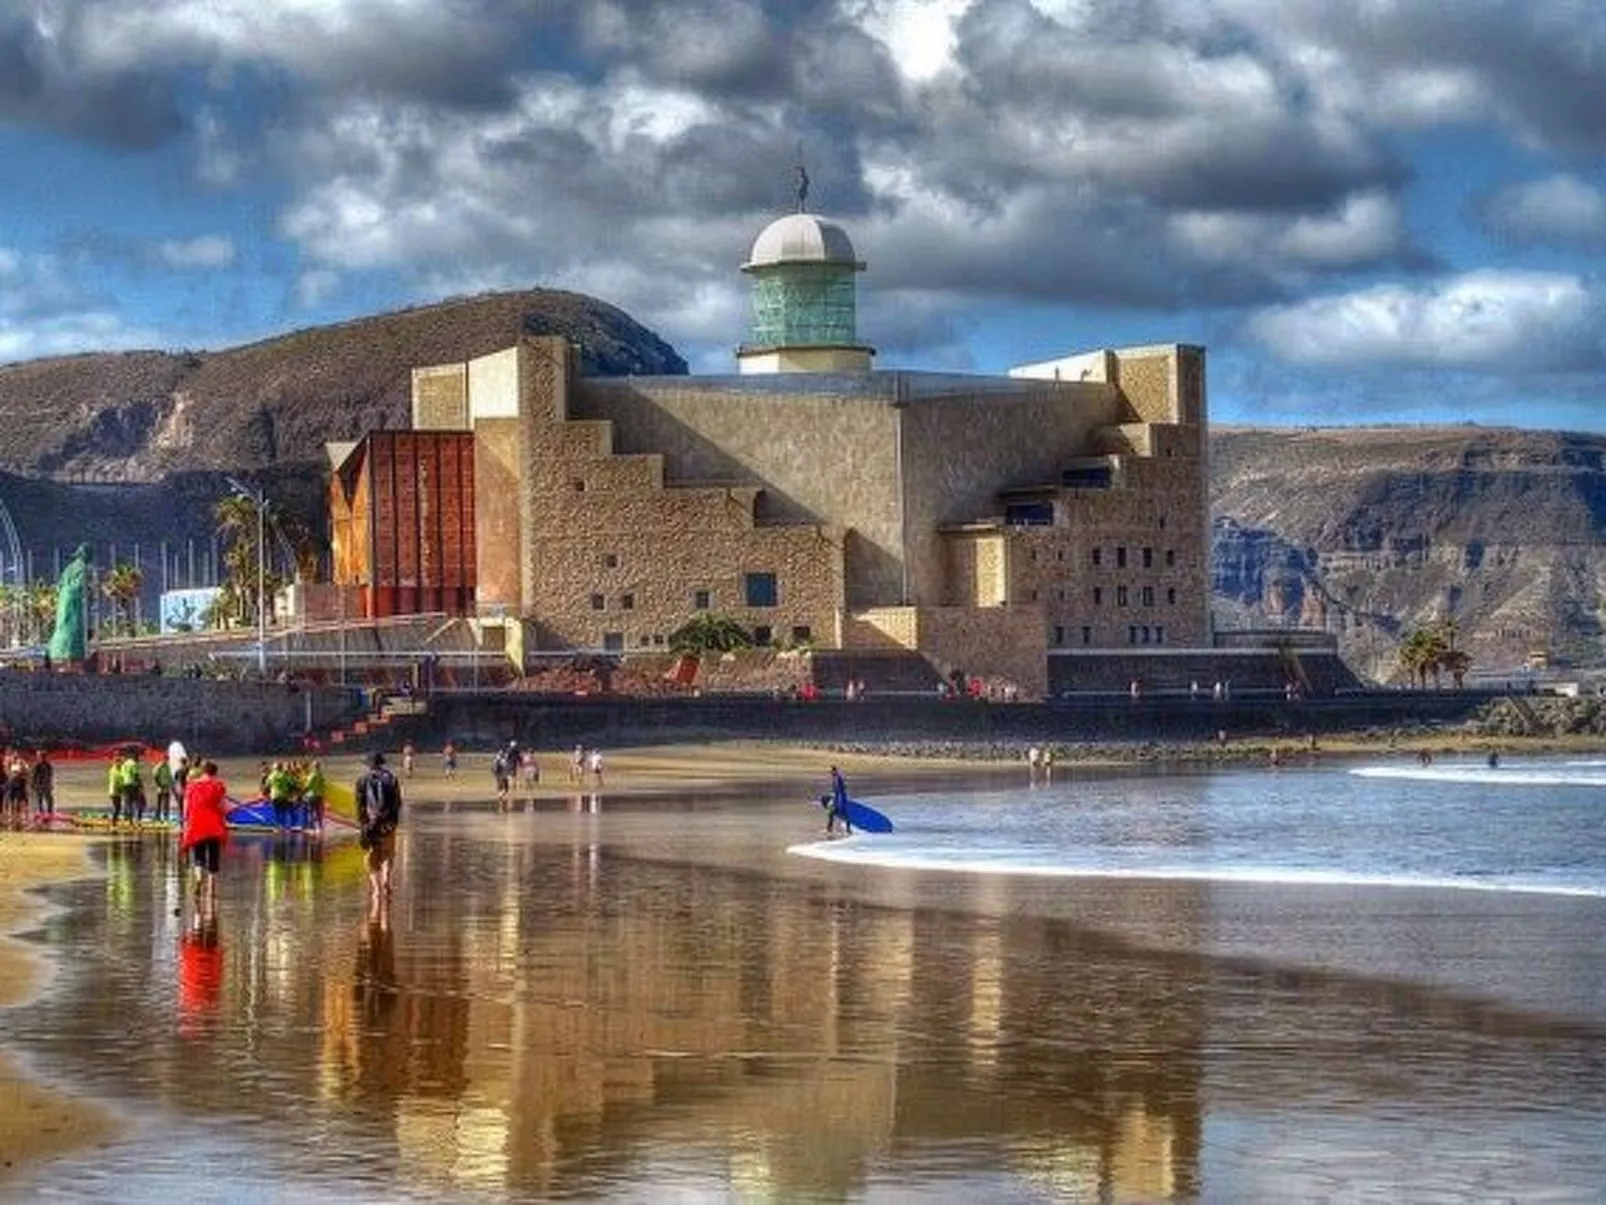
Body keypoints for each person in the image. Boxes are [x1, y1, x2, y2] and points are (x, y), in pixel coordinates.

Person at [180, 760, 231, 911]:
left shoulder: (191, 785)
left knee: (198, 856)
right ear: (215, 772)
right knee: (214, 856)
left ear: (202, 771)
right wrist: (227, 813)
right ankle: (212, 888)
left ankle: (198, 880)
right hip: (214, 825)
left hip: (196, 824)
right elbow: (223, 807)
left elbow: (186, 807)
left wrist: (185, 823)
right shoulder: (218, 785)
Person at [357, 751, 403, 903]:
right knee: (388, 853)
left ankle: (376, 889)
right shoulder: (392, 778)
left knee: (371, 855)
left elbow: (360, 805)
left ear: (369, 764)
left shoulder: (362, 780)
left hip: (370, 824)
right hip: (387, 823)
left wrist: (364, 825)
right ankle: (386, 881)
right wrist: (393, 821)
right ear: (382, 763)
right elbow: (397, 803)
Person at [302, 760, 326, 834]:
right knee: (318, 812)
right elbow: (323, 786)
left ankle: (312, 828)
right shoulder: (321, 775)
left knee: (311, 812)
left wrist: (303, 792)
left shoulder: (312, 775)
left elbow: (308, 786)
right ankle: (320, 827)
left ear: (313, 767)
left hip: (312, 795)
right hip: (320, 795)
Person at [493, 742, 518, 811]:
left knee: (503, 787)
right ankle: (501, 797)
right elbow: (497, 767)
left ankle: (500, 797)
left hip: (502, 775)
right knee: (505, 787)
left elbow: (496, 768)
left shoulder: (501, 759)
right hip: (502, 775)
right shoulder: (502, 759)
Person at [30, 751, 53, 821]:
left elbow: (49, 775)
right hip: (40, 784)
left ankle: (47, 812)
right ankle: (43, 812)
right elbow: (34, 775)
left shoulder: (46, 765)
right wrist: (33, 784)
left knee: (46, 798)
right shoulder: (38, 765)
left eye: (39, 756)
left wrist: (33, 783)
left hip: (43, 784)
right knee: (41, 798)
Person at [153, 755, 175, 824]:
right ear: (163, 759)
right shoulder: (159, 766)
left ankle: (166, 817)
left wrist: (172, 785)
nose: (166, 761)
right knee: (159, 803)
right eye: (166, 759)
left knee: (166, 803)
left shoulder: (167, 767)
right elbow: (155, 775)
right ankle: (157, 817)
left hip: (166, 787)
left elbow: (170, 777)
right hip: (160, 787)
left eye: (167, 759)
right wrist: (159, 784)